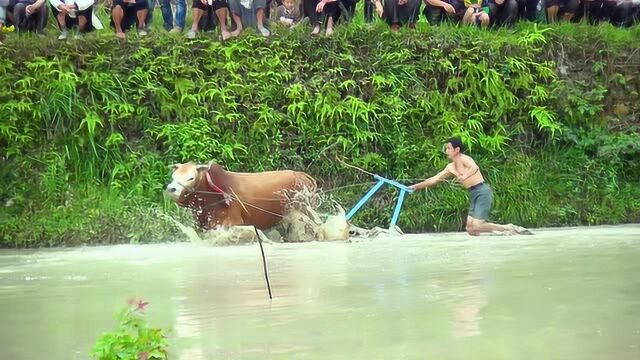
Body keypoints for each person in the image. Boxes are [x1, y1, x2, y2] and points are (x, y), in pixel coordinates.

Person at [409, 137, 532, 236]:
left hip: (482, 191)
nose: (446, 151)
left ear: (456, 150)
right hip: (473, 193)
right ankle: (495, 235)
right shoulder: (450, 167)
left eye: (448, 148)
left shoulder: (464, 159)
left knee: (477, 226)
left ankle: (507, 228)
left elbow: (475, 168)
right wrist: (415, 186)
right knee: (470, 229)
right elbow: (434, 179)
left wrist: (464, 176)